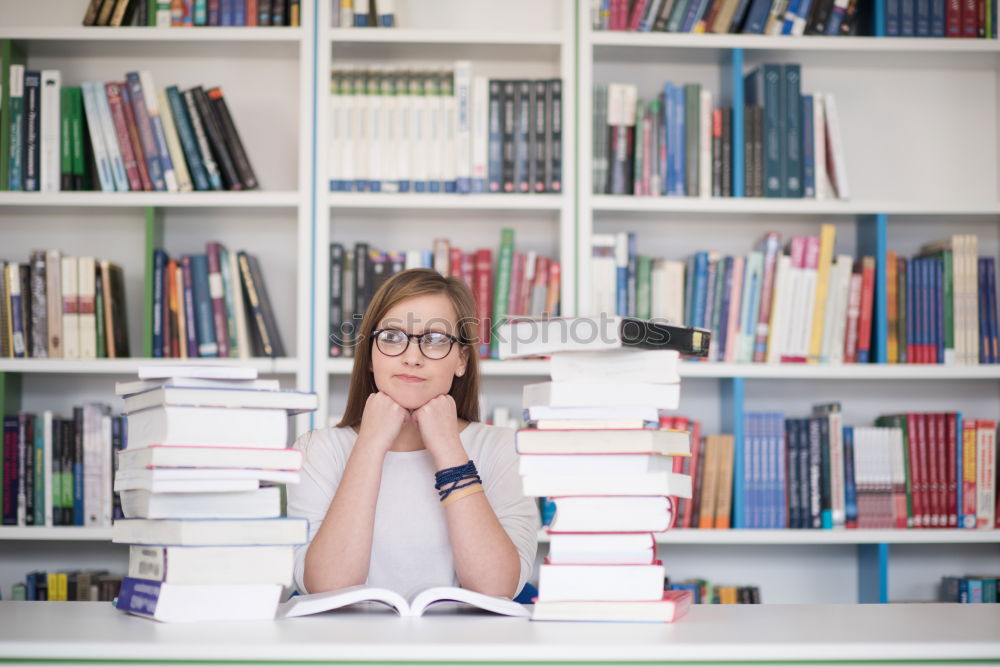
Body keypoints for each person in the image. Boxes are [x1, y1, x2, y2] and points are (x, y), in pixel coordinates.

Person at [287, 268, 539, 599]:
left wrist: (448, 448)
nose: (411, 357)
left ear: (461, 360)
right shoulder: (318, 449)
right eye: (392, 337)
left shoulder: (504, 448)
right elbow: (328, 588)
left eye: (435, 340)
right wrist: (371, 445)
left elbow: (496, 588)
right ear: (370, 356)